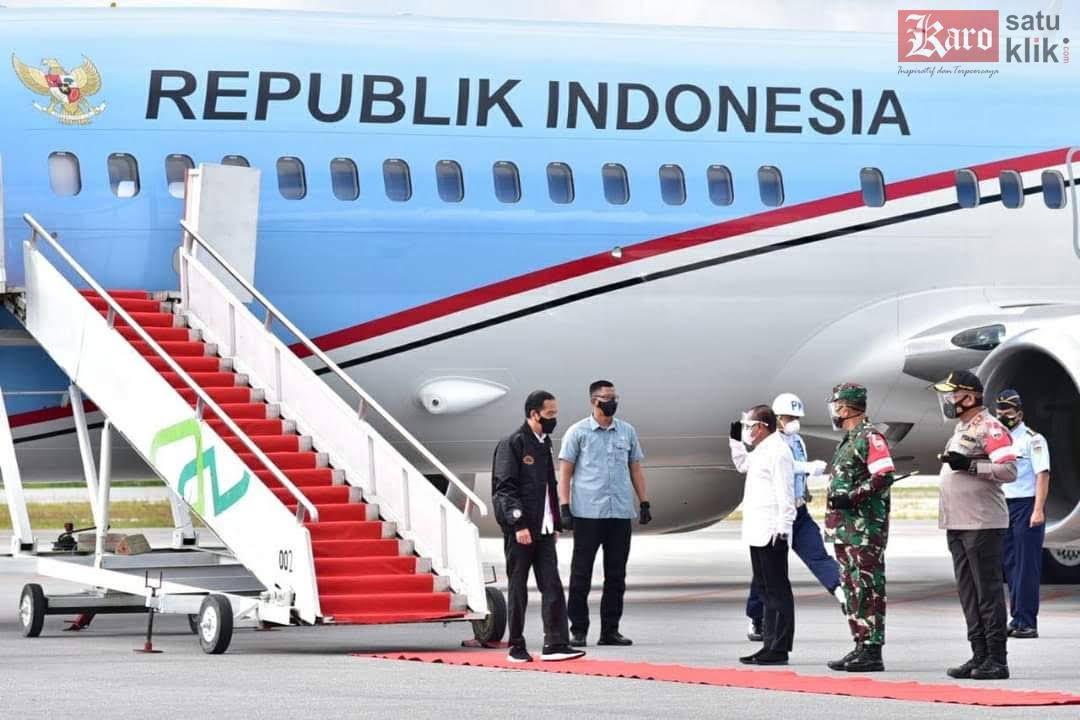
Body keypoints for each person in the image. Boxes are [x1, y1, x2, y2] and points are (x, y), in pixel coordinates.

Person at [933, 370, 1018, 681]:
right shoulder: (962, 428)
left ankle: (997, 658)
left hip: (982, 523)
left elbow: (1009, 469)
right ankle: (979, 654)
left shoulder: (990, 427)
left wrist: (969, 465)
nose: (948, 400)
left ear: (969, 397)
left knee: (987, 592)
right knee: (969, 593)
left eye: (953, 394)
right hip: (958, 522)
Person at [736, 393, 842, 642]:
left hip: (798, 510)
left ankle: (841, 590)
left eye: (795, 417)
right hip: (777, 516)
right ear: (776, 419)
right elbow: (778, 466)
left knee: (817, 554)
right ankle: (757, 618)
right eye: (787, 417)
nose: (792, 421)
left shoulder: (797, 441)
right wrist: (806, 467)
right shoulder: (768, 443)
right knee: (765, 573)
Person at [491, 390, 585, 663]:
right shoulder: (512, 443)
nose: (554, 420)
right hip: (521, 531)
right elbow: (504, 489)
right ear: (534, 414)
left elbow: (548, 488)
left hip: (543, 530)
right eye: (550, 415)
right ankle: (516, 645)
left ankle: (555, 643)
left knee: (552, 586)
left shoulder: (545, 443)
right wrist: (518, 523)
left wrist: (554, 522)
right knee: (518, 588)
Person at [558, 380, 650, 648]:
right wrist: (565, 507)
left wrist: (644, 502)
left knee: (616, 575)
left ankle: (610, 630)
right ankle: (578, 629)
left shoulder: (627, 432)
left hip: (619, 512)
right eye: (607, 397)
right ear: (593, 401)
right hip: (588, 513)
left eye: (614, 397)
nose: (612, 401)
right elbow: (565, 473)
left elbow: (635, 469)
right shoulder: (578, 432)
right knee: (581, 574)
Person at [824, 382, 897, 673]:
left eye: (837, 405)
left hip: (865, 528)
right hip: (845, 529)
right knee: (852, 586)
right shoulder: (849, 439)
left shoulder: (870, 437)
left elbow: (884, 475)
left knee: (869, 586)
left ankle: (872, 649)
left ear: (846, 407)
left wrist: (853, 496)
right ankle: (859, 643)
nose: (835, 411)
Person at [729, 405, 796, 665]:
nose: (747, 431)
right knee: (766, 591)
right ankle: (769, 644)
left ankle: (779, 647)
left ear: (762, 427)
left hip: (772, 532)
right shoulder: (761, 450)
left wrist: (784, 529)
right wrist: (735, 442)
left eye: (749, 426)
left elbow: (785, 494)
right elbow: (742, 465)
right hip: (757, 532)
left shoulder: (778, 451)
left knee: (777, 591)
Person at [995, 389, 1051, 639]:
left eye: (1007, 413)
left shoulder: (1032, 439)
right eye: (999, 412)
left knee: (1027, 566)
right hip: (1003, 505)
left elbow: (1042, 474)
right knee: (1010, 565)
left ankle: (1027, 621)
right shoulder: (999, 439)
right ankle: (1016, 617)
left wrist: (1038, 509)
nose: (1003, 416)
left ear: (1019, 414)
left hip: (1026, 505)